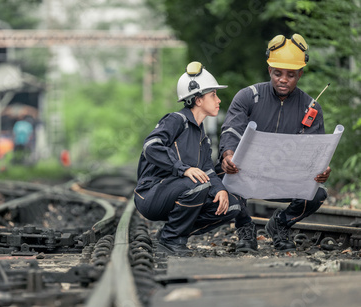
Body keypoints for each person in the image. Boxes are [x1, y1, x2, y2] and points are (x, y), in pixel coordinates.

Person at [218, 33, 331, 252]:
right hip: (248, 175)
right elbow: (231, 129)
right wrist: (228, 155)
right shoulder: (247, 97)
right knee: (224, 177)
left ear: (300, 74)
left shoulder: (312, 108)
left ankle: (280, 224)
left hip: (287, 177)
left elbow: (316, 150)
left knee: (317, 193)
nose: (283, 79)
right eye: (277, 73)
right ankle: (244, 227)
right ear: (270, 70)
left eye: (290, 74)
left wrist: (321, 169)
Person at [134, 62, 242, 256]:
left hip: (180, 190)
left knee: (233, 206)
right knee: (196, 183)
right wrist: (182, 168)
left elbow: (208, 170)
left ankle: (170, 236)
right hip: (151, 194)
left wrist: (221, 190)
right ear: (198, 100)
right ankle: (171, 240)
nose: (218, 100)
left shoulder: (202, 137)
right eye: (213, 95)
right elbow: (151, 146)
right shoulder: (176, 120)